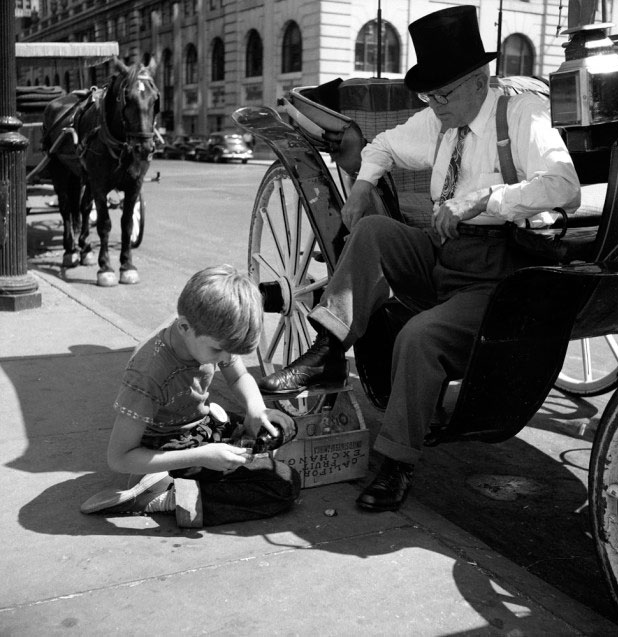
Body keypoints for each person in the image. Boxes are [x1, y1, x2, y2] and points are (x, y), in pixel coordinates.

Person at [258, 6, 581, 512]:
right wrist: (363, 186)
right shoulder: (441, 119)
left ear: (480, 79)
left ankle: (396, 464)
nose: (433, 104)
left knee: (420, 336)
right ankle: (325, 353)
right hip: (441, 250)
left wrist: (483, 200)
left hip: (496, 277)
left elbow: (565, 187)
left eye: (442, 93)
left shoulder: (520, 114)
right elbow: (383, 145)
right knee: (372, 231)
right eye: (428, 94)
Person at [81, 265, 300, 527]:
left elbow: (239, 376)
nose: (223, 358)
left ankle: (224, 454)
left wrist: (255, 409)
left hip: (200, 428)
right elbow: (118, 458)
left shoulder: (208, 332)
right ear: (184, 326)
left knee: (281, 424)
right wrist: (202, 456)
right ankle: (167, 496)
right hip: (165, 447)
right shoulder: (148, 373)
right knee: (284, 485)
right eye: (218, 350)